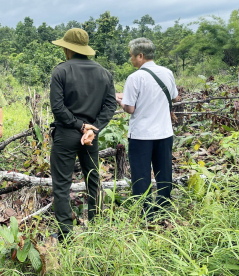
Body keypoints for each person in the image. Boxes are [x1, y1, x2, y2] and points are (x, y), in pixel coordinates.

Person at [50, 28, 117, 240]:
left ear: (68, 49)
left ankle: (65, 235)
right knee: (93, 181)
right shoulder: (104, 73)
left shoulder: (60, 71)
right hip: (91, 138)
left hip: (67, 134)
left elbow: (58, 108)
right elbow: (110, 105)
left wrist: (80, 126)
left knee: (62, 185)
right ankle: (96, 229)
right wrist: (92, 128)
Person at [116, 37, 178, 219]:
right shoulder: (167, 72)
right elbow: (174, 97)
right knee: (164, 173)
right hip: (164, 133)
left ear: (140, 56)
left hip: (141, 135)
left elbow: (130, 108)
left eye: (132, 56)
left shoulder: (135, 78)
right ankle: (164, 209)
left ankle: (146, 214)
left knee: (141, 176)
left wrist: (120, 101)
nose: (131, 60)